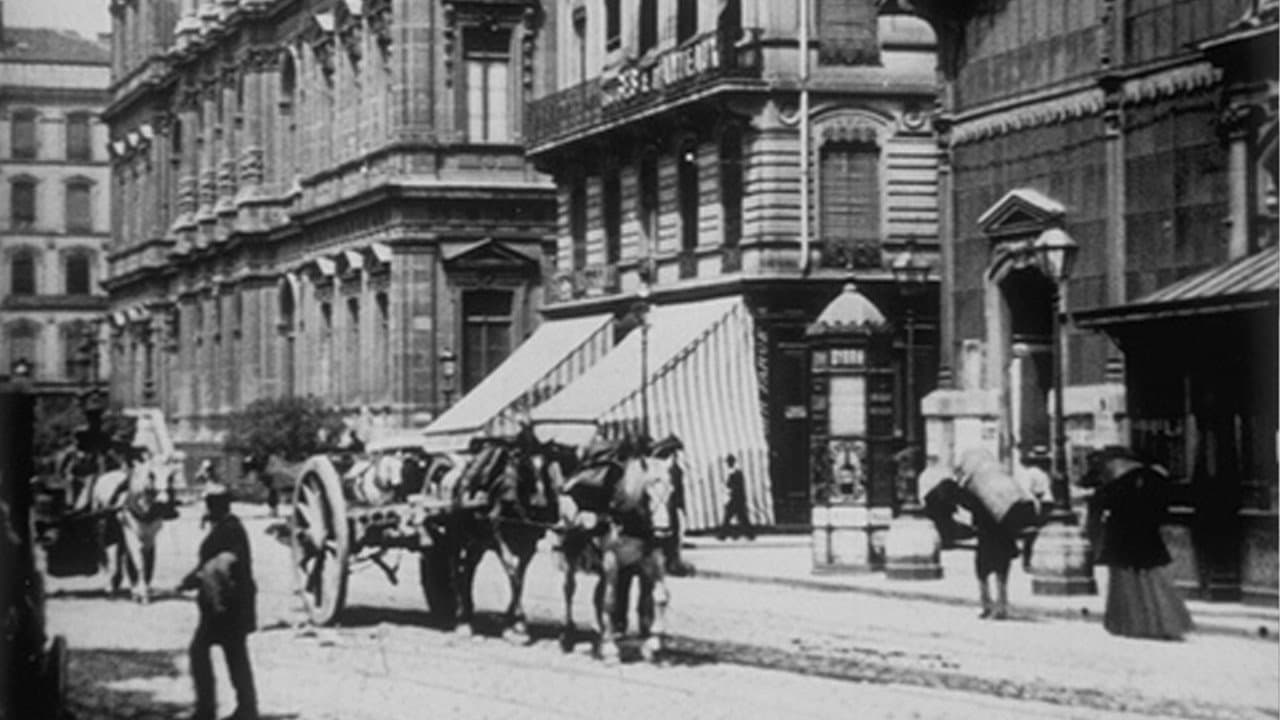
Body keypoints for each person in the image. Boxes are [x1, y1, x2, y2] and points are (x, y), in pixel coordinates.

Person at [177, 483, 258, 720]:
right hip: (228, 603)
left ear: (215, 505)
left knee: (201, 651)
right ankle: (246, 707)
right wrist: (194, 578)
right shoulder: (229, 526)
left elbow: (223, 563)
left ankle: (207, 709)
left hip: (224, 604)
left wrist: (195, 577)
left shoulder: (228, 529)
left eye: (210, 504)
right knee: (235, 655)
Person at [1086, 461, 1192, 640]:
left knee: (1126, 582)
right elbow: (1162, 509)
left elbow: (1096, 511)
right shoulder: (1150, 482)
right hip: (1145, 536)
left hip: (1121, 538)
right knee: (1152, 581)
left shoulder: (1112, 487)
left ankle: (1129, 623)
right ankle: (1160, 623)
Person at [1014, 447, 1052, 570]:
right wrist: (1036, 504)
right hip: (1038, 504)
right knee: (1032, 535)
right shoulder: (1033, 473)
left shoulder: (1042, 473)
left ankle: (1032, 561)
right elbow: (1028, 491)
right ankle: (1027, 561)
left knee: (1036, 535)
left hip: (1041, 504)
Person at [718, 454, 754, 540]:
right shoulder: (734, 472)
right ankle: (749, 534)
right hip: (736, 499)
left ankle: (723, 535)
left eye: (729, 462)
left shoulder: (736, 473)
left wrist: (729, 487)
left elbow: (736, 486)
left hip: (736, 499)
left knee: (730, 517)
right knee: (740, 518)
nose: (728, 464)